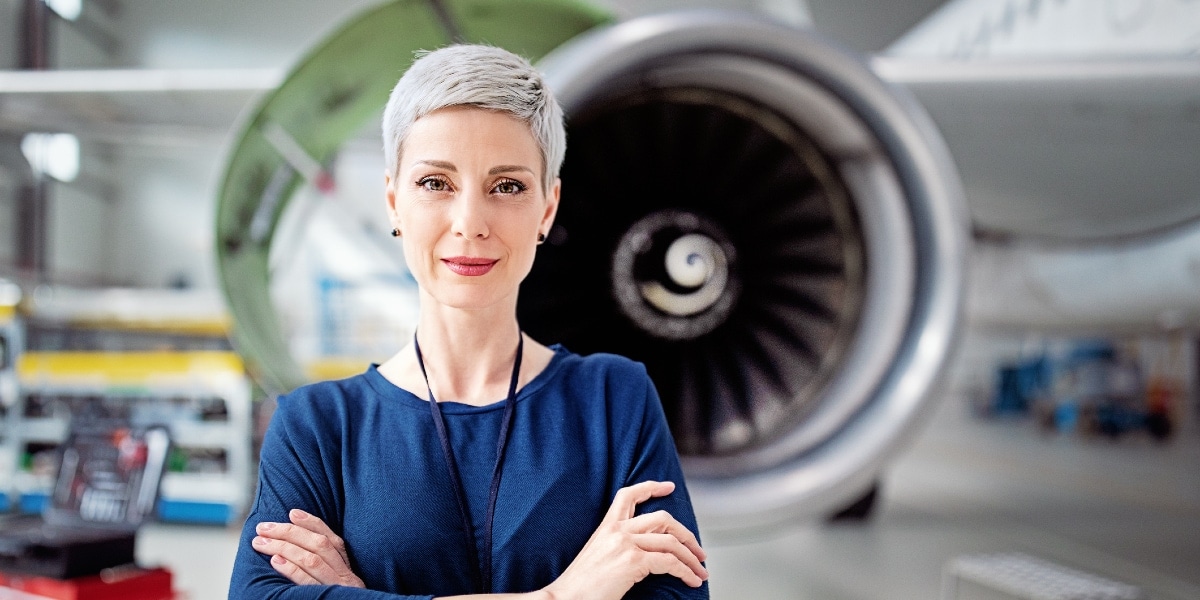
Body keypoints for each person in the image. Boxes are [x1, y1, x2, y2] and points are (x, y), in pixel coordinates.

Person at [227, 44, 710, 600]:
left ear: (547, 210)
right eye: (436, 183)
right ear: (393, 202)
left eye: (507, 186)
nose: (470, 222)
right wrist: (561, 596)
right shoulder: (317, 427)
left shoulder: (615, 400)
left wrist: (355, 594)